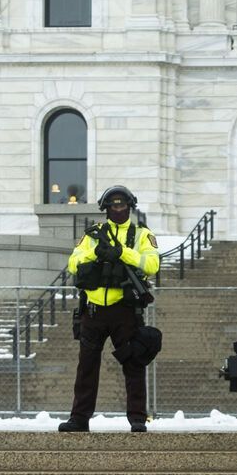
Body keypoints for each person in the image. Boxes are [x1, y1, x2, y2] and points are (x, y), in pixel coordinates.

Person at [60, 185, 160, 433]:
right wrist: (95, 253)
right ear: (106, 209)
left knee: (133, 364)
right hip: (93, 310)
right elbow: (73, 262)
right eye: (113, 206)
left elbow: (152, 264)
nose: (118, 209)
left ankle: (137, 418)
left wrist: (122, 253)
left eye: (122, 205)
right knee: (86, 367)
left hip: (124, 311)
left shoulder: (141, 234)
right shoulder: (93, 234)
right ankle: (79, 419)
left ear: (129, 207)